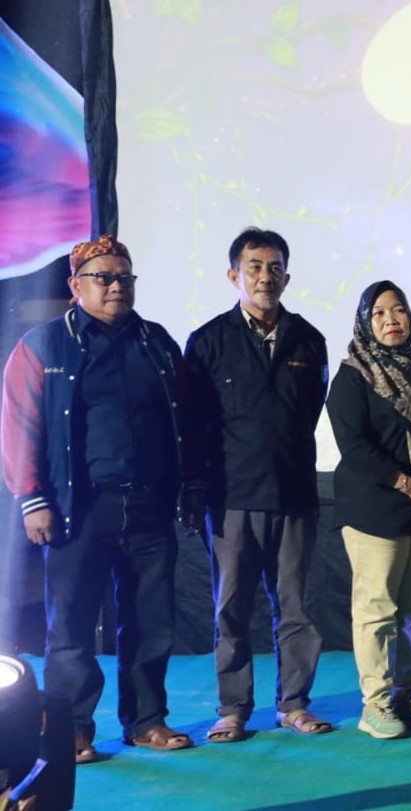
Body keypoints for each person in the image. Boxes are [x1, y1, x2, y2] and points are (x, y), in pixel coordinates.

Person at [2, 235, 195, 761]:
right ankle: (71, 730)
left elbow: (184, 420)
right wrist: (31, 499)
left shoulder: (157, 343)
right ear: (75, 285)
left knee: (151, 622)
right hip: (78, 509)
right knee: (71, 627)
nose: (116, 287)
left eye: (125, 278)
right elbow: (19, 427)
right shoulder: (43, 346)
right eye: (104, 278)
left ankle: (147, 722)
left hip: (150, 506)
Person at [183, 228, 333, 742]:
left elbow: (309, 412)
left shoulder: (309, 339)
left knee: (296, 608)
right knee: (231, 609)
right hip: (231, 497)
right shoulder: (208, 341)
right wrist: (196, 486)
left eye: (275, 268)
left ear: (287, 276)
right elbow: (194, 423)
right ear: (234, 275)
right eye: (255, 267)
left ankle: (294, 704)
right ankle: (233, 708)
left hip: (294, 495)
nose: (265, 277)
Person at [328, 280, 411, 738]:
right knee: (377, 608)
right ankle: (376, 704)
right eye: (379, 313)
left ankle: (406, 692)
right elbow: (355, 447)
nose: (391, 320)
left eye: (398, 310)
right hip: (376, 509)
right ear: (365, 322)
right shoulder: (352, 377)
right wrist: (408, 484)